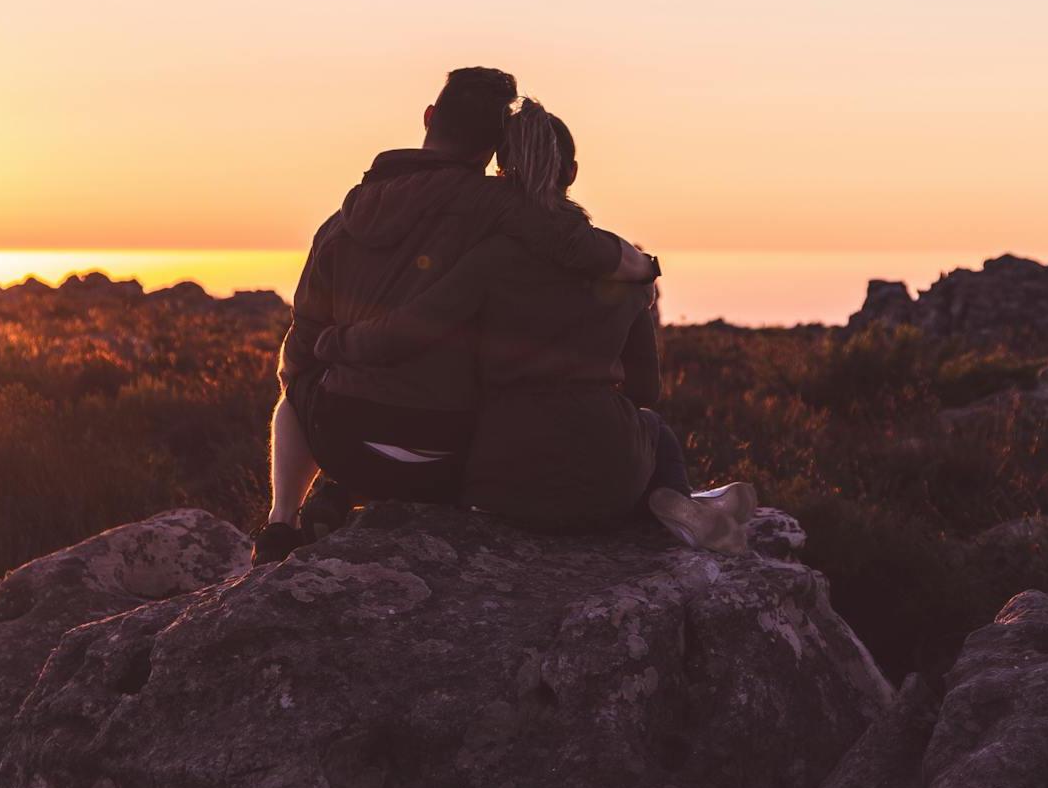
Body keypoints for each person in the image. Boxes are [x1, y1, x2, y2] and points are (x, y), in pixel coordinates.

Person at [311, 99, 756, 552]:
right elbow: (645, 389)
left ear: (502, 172)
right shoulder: (625, 271)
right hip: (608, 465)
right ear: (573, 172)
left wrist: (333, 342)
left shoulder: (487, 261)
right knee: (653, 428)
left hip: (502, 477)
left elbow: (407, 332)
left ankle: (333, 498)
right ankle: (676, 502)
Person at [256, 68, 658, 564]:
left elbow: (301, 351)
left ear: (429, 118)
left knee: (294, 382)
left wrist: (327, 357)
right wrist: (643, 266)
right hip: (452, 460)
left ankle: (281, 522)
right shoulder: (500, 209)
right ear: (495, 151)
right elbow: (574, 243)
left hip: (346, 443)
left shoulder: (341, 222)